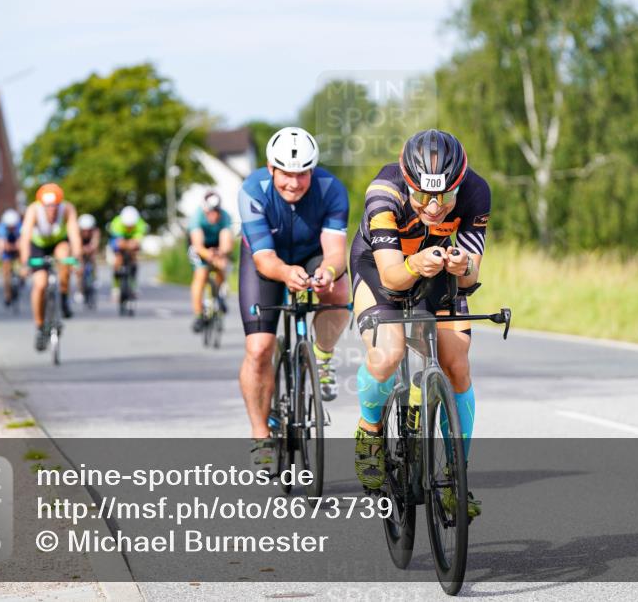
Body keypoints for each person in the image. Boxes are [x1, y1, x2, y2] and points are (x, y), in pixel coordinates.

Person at [349, 129, 490, 519]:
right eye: (423, 195)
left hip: (438, 271)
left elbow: (472, 274)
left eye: (444, 196)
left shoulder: (477, 191)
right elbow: (394, 277)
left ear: (459, 184)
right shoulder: (384, 192)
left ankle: (454, 474)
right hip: (380, 269)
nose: (433, 207)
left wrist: (462, 267)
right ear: (407, 181)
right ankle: (370, 430)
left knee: (456, 361)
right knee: (389, 352)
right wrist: (414, 264)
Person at [237, 127, 349, 470]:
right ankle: (260, 435)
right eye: (286, 173)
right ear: (271, 168)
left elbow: (335, 254)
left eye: (302, 173)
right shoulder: (252, 190)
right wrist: (288, 275)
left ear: (312, 171)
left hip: (312, 253)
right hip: (265, 261)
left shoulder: (331, 190)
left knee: (340, 289)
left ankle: (322, 356)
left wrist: (327, 273)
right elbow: (264, 260)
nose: (294, 182)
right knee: (258, 350)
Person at [19, 183, 82, 351]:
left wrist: (76, 259)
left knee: (64, 258)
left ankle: (63, 295)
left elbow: (74, 234)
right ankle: (40, 327)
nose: (52, 210)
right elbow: (25, 237)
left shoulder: (67, 209)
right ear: (42, 205)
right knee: (40, 284)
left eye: (55, 206)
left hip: (58, 243)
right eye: (48, 207)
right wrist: (25, 263)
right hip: (38, 245)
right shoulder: (33, 210)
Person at [188, 190, 234, 332]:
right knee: (201, 275)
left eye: (216, 211)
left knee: (222, 265)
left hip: (217, 246)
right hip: (200, 247)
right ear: (205, 209)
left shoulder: (225, 216)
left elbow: (227, 242)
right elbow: (197, 245)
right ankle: (198, 314)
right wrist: (207, 255)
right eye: (210, 212)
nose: (213, 215)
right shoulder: (196, 217)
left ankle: (219, 294)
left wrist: (221, 254)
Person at [108, 205, 147, 300]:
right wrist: (127, 245)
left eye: (131, 226)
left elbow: (137, 241)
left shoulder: (140, 224)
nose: (129, 227)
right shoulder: (116, 223)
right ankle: (116, 287)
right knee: (118, 258)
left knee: (134, 256)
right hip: (119, 239)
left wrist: (133, 244)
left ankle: (133, 284)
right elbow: (119, 242)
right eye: (127, 226)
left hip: (132, 240)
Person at [0, 209, 22, 307]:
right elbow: (3, 245)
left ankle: (21, 276)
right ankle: (7, 295)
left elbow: (22, 243)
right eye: (9, 227)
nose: (11, 228)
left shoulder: (20, 226)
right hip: (6, 249)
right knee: (6, 271)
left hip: (16, 246)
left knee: (22, 256)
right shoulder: (1, 228)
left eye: (13, 227)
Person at [77, 214, 100, 301]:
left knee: (93, 258)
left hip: (90, 248)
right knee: (79, 268)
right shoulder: (77, 233)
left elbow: (95, 244)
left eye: (88, 230)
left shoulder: (95, 232)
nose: (86, 232)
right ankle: (80, 289)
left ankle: (94, 277)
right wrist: (81, 250)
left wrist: (92, 248)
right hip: (81, 246)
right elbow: (77, 246)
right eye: (84, 230)